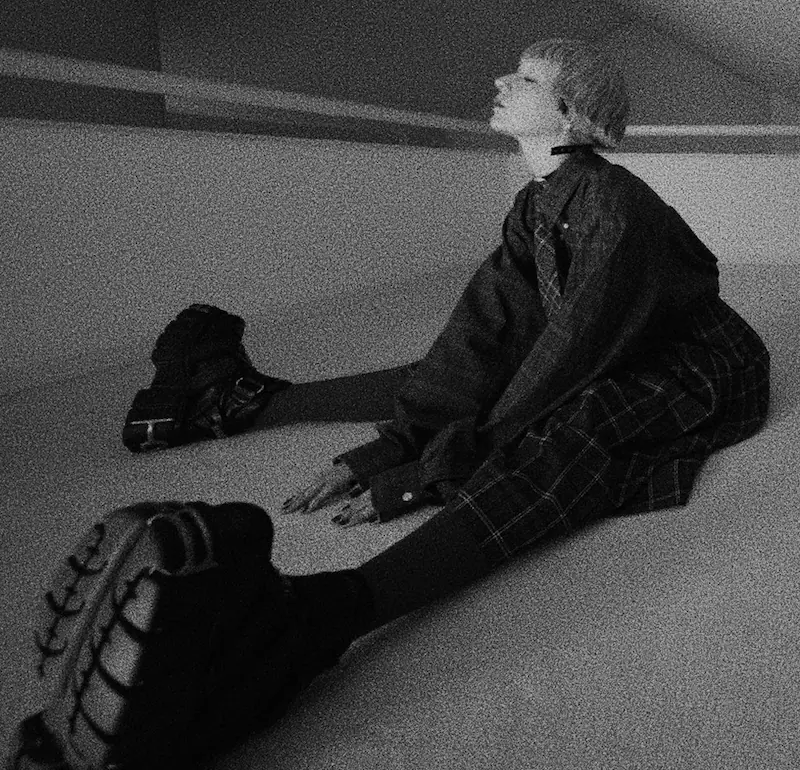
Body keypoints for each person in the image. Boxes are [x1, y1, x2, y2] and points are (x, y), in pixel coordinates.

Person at [8, 39, 770, 769]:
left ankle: (307, 626)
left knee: (572, 430)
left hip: (695, 366)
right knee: (461, 370)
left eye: (527, 79)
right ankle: (235, 404)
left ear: (571, 112)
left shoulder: (616, 206)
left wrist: (430, 472)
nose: (501, 83)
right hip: (608, 338)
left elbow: (573, 356)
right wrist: (392, 444)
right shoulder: (536, 203)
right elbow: (482, 334)